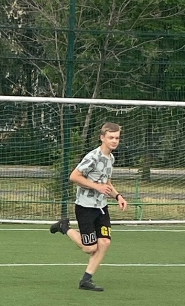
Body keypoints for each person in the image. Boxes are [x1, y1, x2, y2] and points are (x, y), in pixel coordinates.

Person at [50, 122, 128, 291]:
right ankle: (64, 227)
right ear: (102, 138)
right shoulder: (93, 157)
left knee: (105, 242)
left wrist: (117, 196)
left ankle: (86, 280)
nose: (114, 141)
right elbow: (74, 176)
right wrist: (96, 187)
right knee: (90, 247)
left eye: (117, 138)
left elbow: (106, 181)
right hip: (85, 207)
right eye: (111, 137)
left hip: (102, 207)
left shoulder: (111, 158)